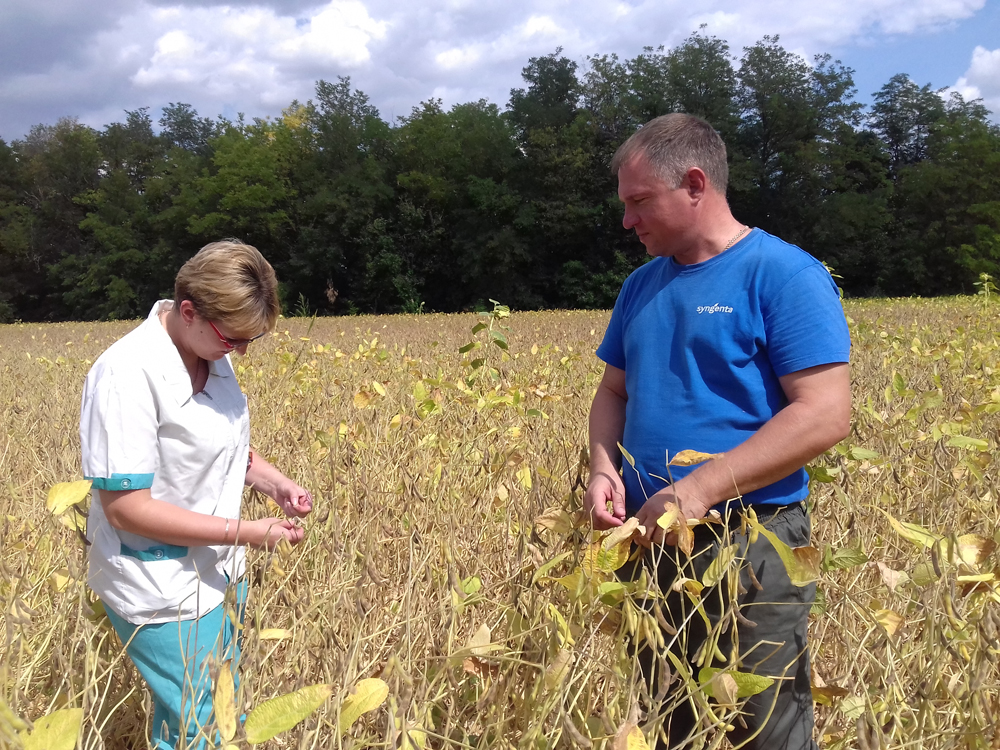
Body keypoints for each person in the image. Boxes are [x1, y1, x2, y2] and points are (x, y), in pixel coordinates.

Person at [583, 114, 851, 749]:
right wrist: (601, 468)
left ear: (695, 184)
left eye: (639, 202)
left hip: (751, 538)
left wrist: (695, 492)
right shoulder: (640, 287)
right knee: (664, 717)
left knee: (761, 726)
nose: (627, 221)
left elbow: (823, 413)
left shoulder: (784, 276)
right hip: (646, 542)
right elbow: (612, 392)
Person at [80, 239, 313, 750]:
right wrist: (247, 532)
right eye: (234, 338)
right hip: (159, 585)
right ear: (189, 311)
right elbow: (125, 509)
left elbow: (225, 448)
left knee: (214, 712)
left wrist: (276, 484)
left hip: (221, 572)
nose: (242, 351)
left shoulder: (210, 351)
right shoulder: (125, 376)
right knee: (203, 726)